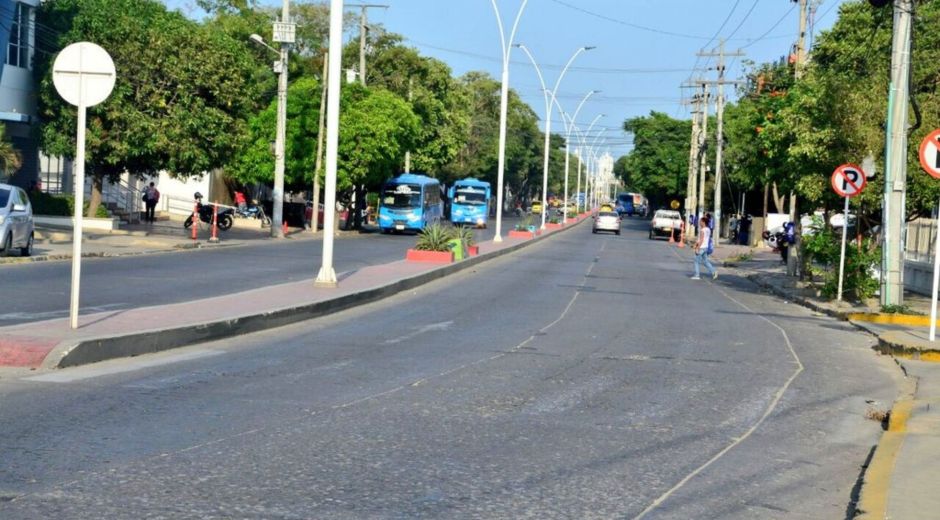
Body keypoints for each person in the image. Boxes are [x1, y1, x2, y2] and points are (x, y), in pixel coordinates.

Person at [692, 214, 717, 280]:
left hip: (702, 247)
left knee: (696, 261)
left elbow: (701, 239)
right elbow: (702, 239)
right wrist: (695, 244)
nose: (699, 222)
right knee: (705, 261)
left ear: (703, 222)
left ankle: (697, 275)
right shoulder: (708, 229)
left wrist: (697, 248)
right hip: (706, 247)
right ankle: (714, 271)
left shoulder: (702, 230)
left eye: (700, 221)